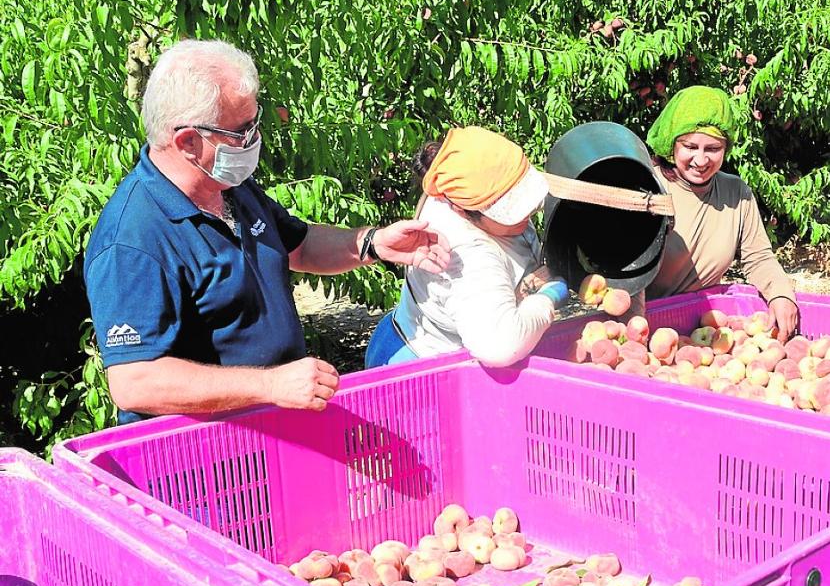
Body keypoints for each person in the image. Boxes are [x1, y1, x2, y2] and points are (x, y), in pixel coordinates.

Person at [84, 40, 449, 423]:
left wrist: (372, 243)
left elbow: (300, 246)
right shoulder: (132, 241)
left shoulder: (227, 185)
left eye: (256, 123)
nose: (255, 139)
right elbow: (135, 381)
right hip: (205, 461)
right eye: (242, 130)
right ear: (188, 141)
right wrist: (270, 385)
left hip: (274, 432)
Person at [365, 126, 568, 368]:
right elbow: (500, 347)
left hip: (412, 334)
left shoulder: (469, 182)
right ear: (461, 210)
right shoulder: (467, 253)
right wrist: (546, 298)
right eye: (511, 211)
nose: (527, 214)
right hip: (422, 365)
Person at [642, 86, 800, 340]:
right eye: (690, 146)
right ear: (672, 144)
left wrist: (781, 294)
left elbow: (758, 257)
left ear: (726, 148)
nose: (701, 160)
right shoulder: (648, 186)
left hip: (702, 327)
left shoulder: (736, 193)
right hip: (646, 324)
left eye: (712, 149)